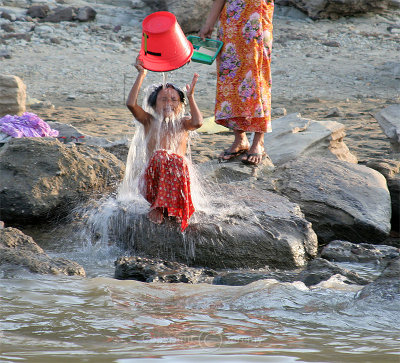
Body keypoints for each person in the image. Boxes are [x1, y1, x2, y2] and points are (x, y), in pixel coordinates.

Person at [126, 58, 203, 231]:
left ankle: (175, 208)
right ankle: (158, 206)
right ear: (153, 104)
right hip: (153, 182)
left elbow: (198, 123)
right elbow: (131, 104)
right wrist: (141, 74)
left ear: (180, 104)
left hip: (177, 183)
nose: (169, 104)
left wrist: (190, 97)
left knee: (179, 161)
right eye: (163, 100)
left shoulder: (182, 123)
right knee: (162, 155)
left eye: (174, 100)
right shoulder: (149, 121)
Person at [199, 0, 274, 166]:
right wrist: (209, 23)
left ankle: (258, 141)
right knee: (231, 77)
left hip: (257, 18)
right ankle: (240, 138)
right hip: (231, 20)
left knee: (257, 77)